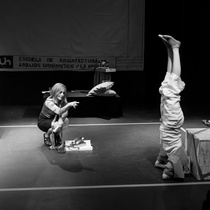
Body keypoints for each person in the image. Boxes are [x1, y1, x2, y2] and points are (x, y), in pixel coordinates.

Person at [155, 34, 190, 180]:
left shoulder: (172, 146)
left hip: (170, 118)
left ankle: (173, 48)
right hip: (171, 118)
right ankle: (172, 49)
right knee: (169, 85)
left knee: (169, 85)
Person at [37, 83, 79, 153]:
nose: (62, 95)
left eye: (63, 93)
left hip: (54, 120)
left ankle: (55, 135)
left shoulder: (62, 100)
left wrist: (61, 120)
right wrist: (69, 105)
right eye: (60, 92)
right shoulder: (49, 102)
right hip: (43, 122)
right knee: (57, 126)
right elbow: (59, 111)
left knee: (65, 121)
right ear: (55, 92)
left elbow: (65, 113)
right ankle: (48, 136)